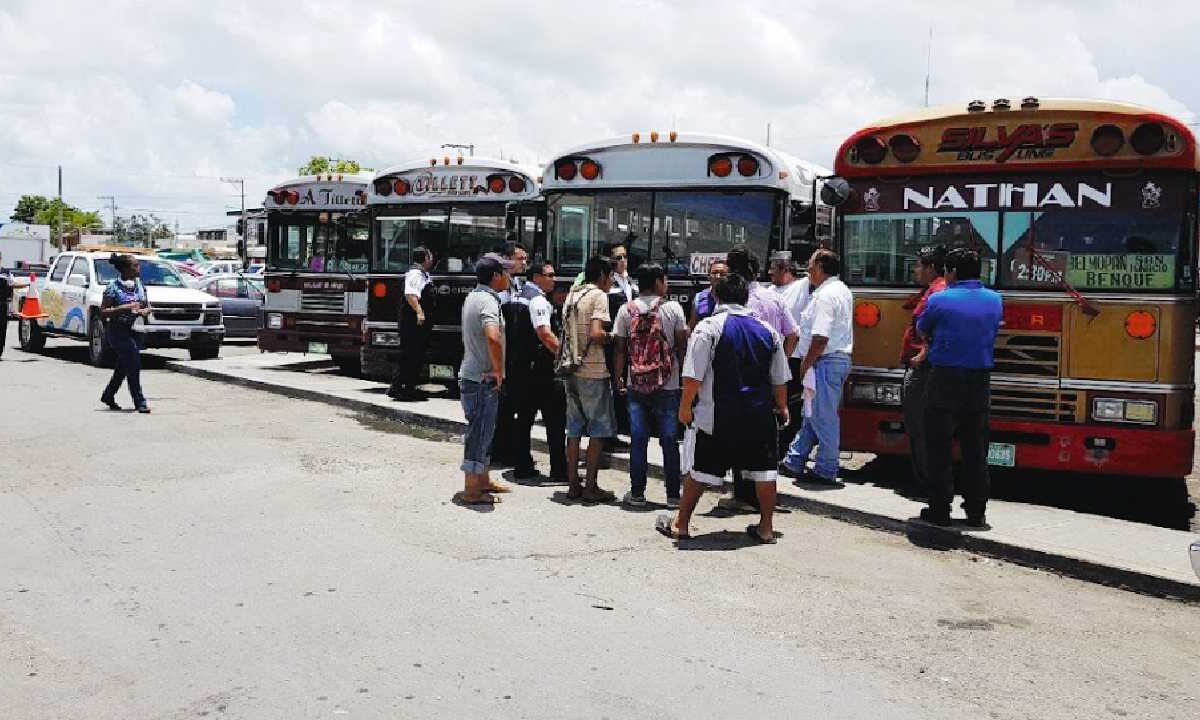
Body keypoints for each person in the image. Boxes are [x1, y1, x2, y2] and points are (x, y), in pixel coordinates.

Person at [656, 273, 790, 543]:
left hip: (717, 417)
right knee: (765, 473)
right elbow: (780, 378)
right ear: (745, 298)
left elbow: (693, 375)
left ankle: (681, 524)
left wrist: (685, 407)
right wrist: (782, 407)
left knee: (701, 471)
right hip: (759, 416)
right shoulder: (768, 331)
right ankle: (765, 527)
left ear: (716, 296)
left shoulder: (709, 328)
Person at [916, 247, 1002, 528]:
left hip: (945, 378)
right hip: (979, 380)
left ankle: (940, 508)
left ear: (951, 272)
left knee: (939, 446)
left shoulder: (940, 299)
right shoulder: (995, 300)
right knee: (975, 449)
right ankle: (976, 512)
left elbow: (922, 327)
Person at [723, 245, 798, 512]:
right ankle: (764, 499)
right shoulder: (773, 297)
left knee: (738, 435)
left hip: (740, 377)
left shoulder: (735, 301)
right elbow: (793, 334)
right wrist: (781, 362)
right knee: (765, 440)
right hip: (769, 379)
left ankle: (743, 496)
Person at [613, 263, 689, 507]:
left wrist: (619, 377)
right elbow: (682, 345)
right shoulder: (673, 308)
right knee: (669, 440)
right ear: (658, 282)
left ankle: (637, 493)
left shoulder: (627, 310)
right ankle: (673, 496)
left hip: (636, 382)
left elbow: (620, 348)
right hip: (667, 384)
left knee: (638, 438)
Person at [779, 249, 854, 484]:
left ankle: (826, 468)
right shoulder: (840, 290)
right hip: (831, 360)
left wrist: (805, 364)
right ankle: (794, 459)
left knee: (823, 416)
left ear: (821, 267)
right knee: (811, 414)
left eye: (810, 266)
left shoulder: (825, 295)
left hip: (824, 361)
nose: (807, 271)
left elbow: (820, 338)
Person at [456, 253, 515, 505]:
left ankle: (483, 479)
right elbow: (492, 336)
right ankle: (471, 488)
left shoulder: (475, 296)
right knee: (479, 433)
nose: (510, 277)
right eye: (505, 272)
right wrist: (499, 370)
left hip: (472, 375)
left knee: (485, 431)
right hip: (481, 379)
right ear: (495, 276)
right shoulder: (488, 303)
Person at [560, 255, 617, 503]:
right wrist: (612, 336)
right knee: (597, 430)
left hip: (570, 368)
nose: (612, 281)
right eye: (611, 276)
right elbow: (596, 333)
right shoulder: (599, 296)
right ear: (603, 275)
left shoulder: (572, 295)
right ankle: (591, 486)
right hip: (593, 370)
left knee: (573, 430)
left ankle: (573, 484)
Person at [508, 259, 568, 481]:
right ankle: (559, 470)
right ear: (536, 277)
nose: (554, 279)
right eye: (549, 275)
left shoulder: (520, 296)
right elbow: (544, 334)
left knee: (523, 420)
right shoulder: (538, 301)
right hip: (541, 371)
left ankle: (522, 465)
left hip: (522, 367)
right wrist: (564, 356)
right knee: (555, 421)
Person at [899, 245, 948, 499]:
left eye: (919, 265)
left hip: (924, 371)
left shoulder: (938, 293)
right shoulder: (932, 291)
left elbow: (939, 330)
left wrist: (922, 355)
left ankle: (927, 485)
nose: (916, 270)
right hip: (922, 367)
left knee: (921, 429)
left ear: (930, 268)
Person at [491, 241, 530, 465]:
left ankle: (507, 447)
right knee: (502, 406)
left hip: (515, 353)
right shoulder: (499, 286)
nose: (523, 262)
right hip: (502, 352)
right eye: (520, 258)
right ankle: (498, 450)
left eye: (525, 259)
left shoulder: (517, 284)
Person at [99, 254, 153, 413]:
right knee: (134, 363)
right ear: (125, 269)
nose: (138, 268)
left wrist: (144, 311)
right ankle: (140, 401)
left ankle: (108, 395)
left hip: (136, 330)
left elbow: (147, 306)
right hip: (118, 331)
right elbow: (103, 312)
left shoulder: (140, 285)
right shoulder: (113, 287)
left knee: (124, 366)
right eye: (135, 266)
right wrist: (123, 308)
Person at [769, 257, 811, 455]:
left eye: (773, 269)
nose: (769, 273)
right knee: (774, 403)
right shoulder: (768, 292)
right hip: (772, 357)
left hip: (793, 357)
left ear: (786, 270)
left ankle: (786, 446)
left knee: (792, 403)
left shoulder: (801, 286)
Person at [388, 247, 435, 401]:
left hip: (416, 323)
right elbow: (410, 294)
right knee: (411, 354)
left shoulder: (422, 274)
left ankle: (400, 387)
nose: (432, 259)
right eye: (430, 256)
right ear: (425, 258)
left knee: (412, 354)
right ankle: (404, 389)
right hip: (412, 322)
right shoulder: (415, 274)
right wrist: (419, 312)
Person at [688, 260, 728, 329]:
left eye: (722, 274)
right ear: (709, 277)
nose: (718, 276)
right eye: (714, 273)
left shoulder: (736, 298)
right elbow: (692, 326)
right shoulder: (699, 298)